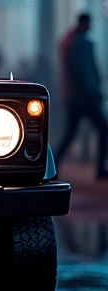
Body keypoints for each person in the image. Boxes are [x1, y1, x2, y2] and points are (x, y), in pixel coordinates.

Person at [54, 13, 108, 180]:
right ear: (84, 23)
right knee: (103, 129)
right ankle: (100, 168)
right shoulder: (80, 44)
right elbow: (85, 71)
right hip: (84, 97)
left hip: (74, 97)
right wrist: (93, 91)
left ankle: (53, 166)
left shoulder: (70, 41)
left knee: (70, 133)